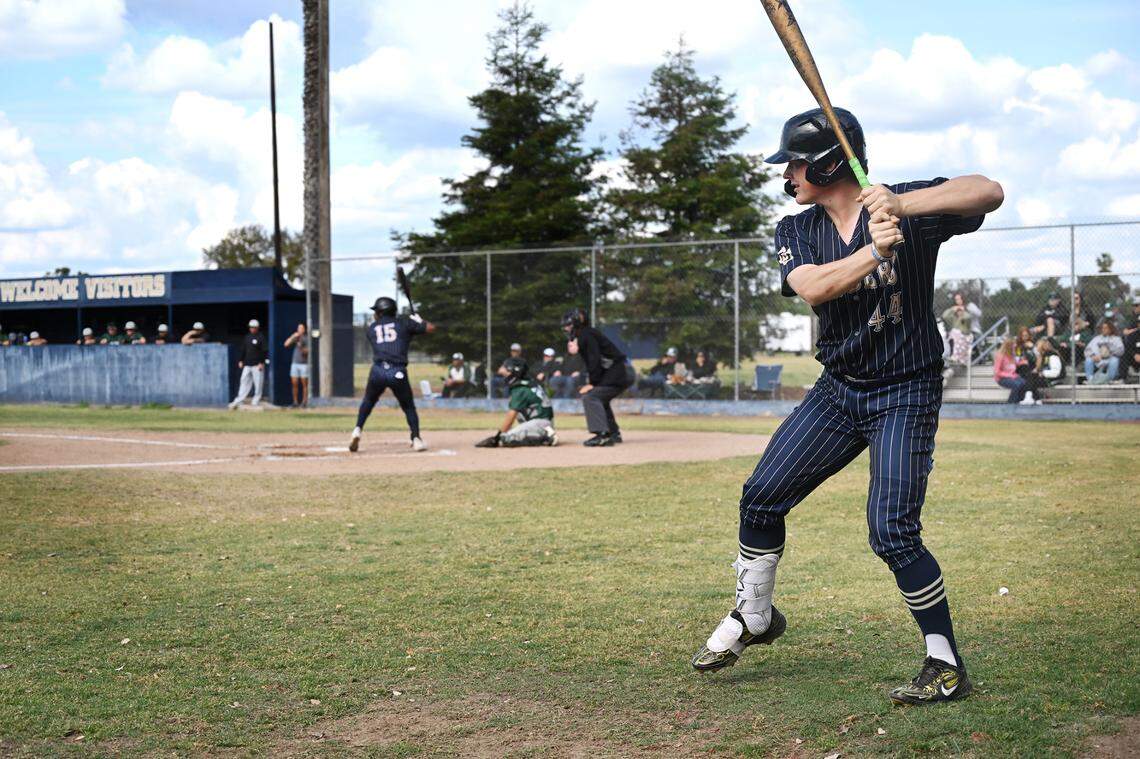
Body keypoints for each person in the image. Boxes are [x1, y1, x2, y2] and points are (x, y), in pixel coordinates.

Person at [690, 106, 1004, 705]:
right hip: (840, 388)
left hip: (905, 389)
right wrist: (874, 251)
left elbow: (988, 191)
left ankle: (944, 663)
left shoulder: (901, 203)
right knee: (760, 498)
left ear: (832, 162)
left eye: (796, 165)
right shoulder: (795, 229)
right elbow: (812, 286)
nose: (787, 176)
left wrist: (903, 209)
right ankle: (755, 616)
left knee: (892, 532)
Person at [349, 297, 435, 453]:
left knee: (368, 400)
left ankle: (357, 429)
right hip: (398, 372)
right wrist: (419, 321)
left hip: (378, 371)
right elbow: (430, 328)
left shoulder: (371, 329)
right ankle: (416, 438)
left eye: (376, 311)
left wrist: (413, 325)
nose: (375, 314)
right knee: (408, 406)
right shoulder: (404, 323)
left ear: (381, 312)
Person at [562, 307, 634, 446]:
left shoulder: (585, 335)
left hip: (620, 372)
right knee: (600, 398)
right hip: (619, 371)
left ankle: (602, 435)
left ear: (576, 324)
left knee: (591, 397)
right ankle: (613, 433)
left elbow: (594, 359)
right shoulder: (587, 334)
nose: (566, 328)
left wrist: (593, 383)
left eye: (568, 325)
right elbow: (596, 361)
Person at [474, 358, 558, 448]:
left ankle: (545, 437)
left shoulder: (520, 389)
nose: (502, 371)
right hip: (541, 421)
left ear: (513, 371)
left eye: (505, 368)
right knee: (514, 424)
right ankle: (540, 433)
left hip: (540, 423)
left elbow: (511, 416)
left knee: (506, 439)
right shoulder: (529, 383)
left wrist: (497, 437)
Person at [229, 319, 268, 409]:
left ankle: (256, 400)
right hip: (247, 363)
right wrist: (241, 360)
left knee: (258, 383)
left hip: (257, 364)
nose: (252, 329)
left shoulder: (261, 337)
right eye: (251, 327)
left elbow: (264, 351)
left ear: (257, 328)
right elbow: (244, 349)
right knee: (244, 381)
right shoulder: (247, 337)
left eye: (254, 327)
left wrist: (262, 362)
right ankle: (240, 399)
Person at [940, 292, 978, 366]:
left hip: (966, 334)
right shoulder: (955, 312)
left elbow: (969, 318)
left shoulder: (968, 309)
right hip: (955, 334)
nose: (957, 301)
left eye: (959, 299)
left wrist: (963, 311)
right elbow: (944, 316)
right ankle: (946, 356)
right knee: (947, 336)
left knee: (955, 333)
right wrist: (952, 309)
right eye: (956, 299)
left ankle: (956, 357)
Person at [993, 337, 1030, 403]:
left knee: (1024, 383)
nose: (1015, 346)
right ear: (1008, 346)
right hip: (1001, 378)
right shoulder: (1000, 355)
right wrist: (1010, 375)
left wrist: (1022, 362)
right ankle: (1010, 402)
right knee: (1017, 385)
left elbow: (1014, 364)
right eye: (1013, 345)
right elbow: (997, 372)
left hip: (1012, 376)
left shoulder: (1012, 354)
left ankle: (1019, 401)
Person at [284, 323, 310, 407]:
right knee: (294, 383)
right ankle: (295, 402)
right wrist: (293, 337)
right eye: (298, 328)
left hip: (304, 364)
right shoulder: (296, 337)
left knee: (304, 384)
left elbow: (307, 352)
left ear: (304, 329)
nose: (300, 330)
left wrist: (300, 346)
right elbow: (286, 344)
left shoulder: (307, 338)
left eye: (301, 328)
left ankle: (304, 402)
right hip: (295, 363)